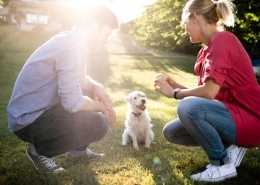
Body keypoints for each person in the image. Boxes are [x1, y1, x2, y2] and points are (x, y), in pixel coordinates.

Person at [154, 0, 260, 182]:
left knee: (187, 107)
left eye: (184, 22)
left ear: (195, 17)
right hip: (231, 115)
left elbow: (208, 93)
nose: (184, 29)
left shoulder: (222, 39)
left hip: (252, 119)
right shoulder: (205, 51)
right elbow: (208, 97)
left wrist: (175, 95)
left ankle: (221, 165)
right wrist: (177, 87)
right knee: (171, 131)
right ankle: (232, 145)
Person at [7, 4, 117, 173]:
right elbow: (72, 102)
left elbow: (77, 79)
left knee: (91, 92)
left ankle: (78, 152)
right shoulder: (71, 47)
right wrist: (102, 108)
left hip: (37, 112)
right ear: (95, 26)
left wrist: (97, 86)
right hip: (28, 121)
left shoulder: (71, 41)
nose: (106, 40)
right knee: (99, 124)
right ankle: (39, 152)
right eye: (106, 34)